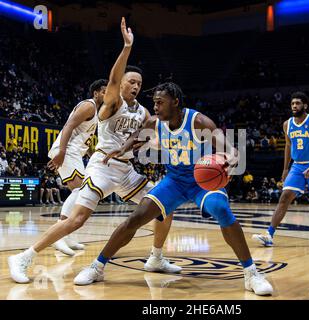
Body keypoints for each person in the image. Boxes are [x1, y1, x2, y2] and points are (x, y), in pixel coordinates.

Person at [8, 18, 179, 284]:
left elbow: (147, 135)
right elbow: (112, 77)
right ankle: (24, 256)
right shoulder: (111, 103)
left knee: (163, 207)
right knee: (76, 220)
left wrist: (153, 142)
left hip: (126, 170)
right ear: (121, 84)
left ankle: (156, 258)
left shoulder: (143, 112)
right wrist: (126, 47)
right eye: (131, 81)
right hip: (101, 167)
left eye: (139, 83)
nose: (135, 86)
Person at [73, 81, 273, 296]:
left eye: (160, 102)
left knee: (222, 210)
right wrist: (124, 147)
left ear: (175, 102)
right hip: (174, 181)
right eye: (154, 103)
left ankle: (251, 274)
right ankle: (97, 266)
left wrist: (232, 154)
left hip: (201, 182)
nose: (156, 107)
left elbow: (222, 141)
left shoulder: (198, 121)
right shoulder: (155, 121)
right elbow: (137, 134)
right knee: (135, 218)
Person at [253, 92, 309, 246]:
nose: (294, 106)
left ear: (305, 105)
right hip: (296, 166)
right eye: (292, 104)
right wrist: (285, 169)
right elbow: (288, 146)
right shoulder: (287, 124)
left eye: (298, 103)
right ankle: (269, 234)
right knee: (284, 197)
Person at [46, 78, 107, 255]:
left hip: (75, 152)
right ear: (96, 93)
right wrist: (62, 151)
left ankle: (68, 235)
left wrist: (92, 154)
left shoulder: (98, 113)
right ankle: (59, 236)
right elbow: (69, 125)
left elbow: (84, 139)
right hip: (67, 150)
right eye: (104, 91)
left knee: (82, 193)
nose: (106, 94)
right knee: (80, 190)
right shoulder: (89, 106)